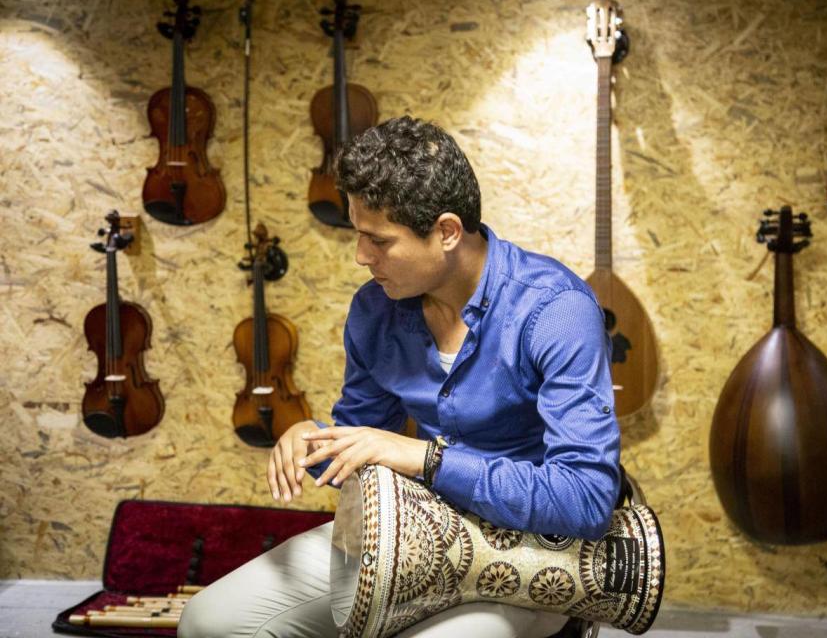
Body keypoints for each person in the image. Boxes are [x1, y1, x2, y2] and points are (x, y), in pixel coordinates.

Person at [178, 116, 622, 638]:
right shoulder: (375, 309)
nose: (361, 256)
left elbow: (586, 500)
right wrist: (311, 440)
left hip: (529, 553)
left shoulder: (556, 310)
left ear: (447, 232)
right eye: (358, 234)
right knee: (209, 623)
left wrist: (426, 459)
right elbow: (363, 440)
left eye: (379, 240)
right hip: (408, 533)